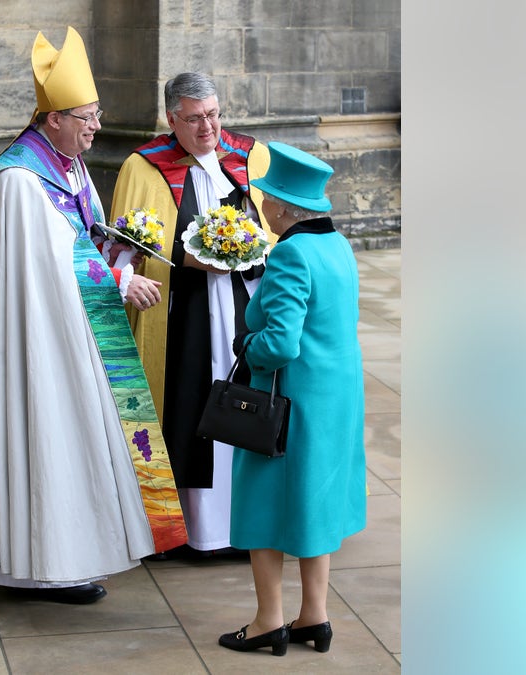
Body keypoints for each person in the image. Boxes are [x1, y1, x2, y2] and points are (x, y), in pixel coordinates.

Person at [0, 27, 186, 604]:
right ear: (52, 118)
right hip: (38, 345)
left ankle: (64, 555)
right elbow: (45, 272)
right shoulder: (19, 184)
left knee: (72, 442)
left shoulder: (69, 166)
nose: (96, 126)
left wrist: (119, 250)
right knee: (44, 435)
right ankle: (32, 567)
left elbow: (78, 242)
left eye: (98, 114)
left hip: (76, 335)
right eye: (86, 116)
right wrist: (118, 279)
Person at [109, 72, 273, 557]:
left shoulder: (249, 156)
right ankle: (192, 530)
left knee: (251, 406)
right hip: (183, 314)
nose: (209, 128)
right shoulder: (143, 167)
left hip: (246, 305)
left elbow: (278, 225)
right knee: (189, 408)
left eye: (215, 114)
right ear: (171, 119)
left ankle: (253, 521)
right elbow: (126, 247)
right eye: (195, 118)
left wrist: (250, 248)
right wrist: (182, 258)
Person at [216, 142, 366, 655]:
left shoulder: (290, 252)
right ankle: (314, 618)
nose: (262, 207)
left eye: (266, 199)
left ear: (281, 207)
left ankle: (267, 622)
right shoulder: (338, 246)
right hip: (335, 400)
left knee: (265, 507)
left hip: (290, 404)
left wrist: (244, 345)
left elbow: (280, 343)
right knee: (314, 506)